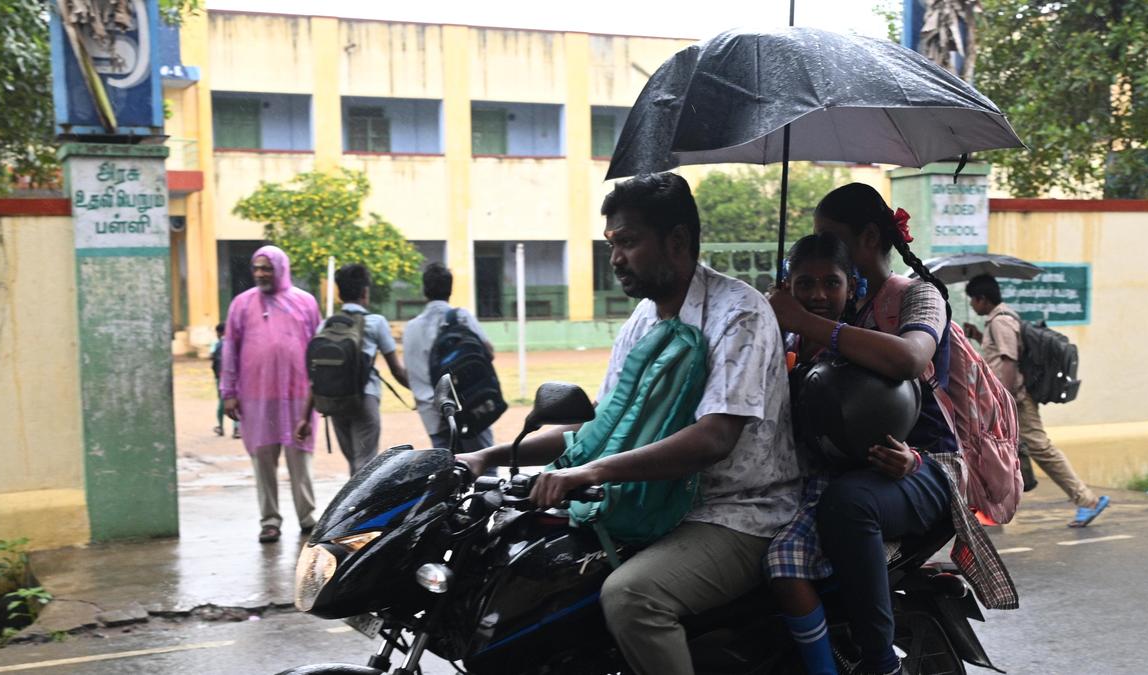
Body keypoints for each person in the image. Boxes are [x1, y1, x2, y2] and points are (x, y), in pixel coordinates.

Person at [457, 172, 799, 675]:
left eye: (629, 242)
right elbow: (605, 424)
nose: (616, 258)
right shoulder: (644, 320)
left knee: (632, 597)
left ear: (676, 241)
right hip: (646, 503)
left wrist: (591, 472)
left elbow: (715, 437)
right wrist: (489, 455)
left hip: (734, 512)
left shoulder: (738, 312)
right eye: (611, 244)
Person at [768, 183, 1017, 675]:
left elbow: (909, 358)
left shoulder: (917, 296)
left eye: (831, 237)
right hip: (848, 461)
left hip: (924, 464)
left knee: (849, 505)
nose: (820, 286)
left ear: (867, 238)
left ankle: (881, 664)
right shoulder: (835, 300)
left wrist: (808, 322)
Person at [764, 233, 857, 675]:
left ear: (851, 287)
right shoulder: (780, 338)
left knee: (782, 562)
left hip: (828, 477)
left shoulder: (856, 342)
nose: (818, 295)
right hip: (776, 469)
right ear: (787, 286)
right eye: (805, 283)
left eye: (830, 283)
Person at [963, 274, 1109, 527]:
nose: (972, 306)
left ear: (983, 299)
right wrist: (978, 335)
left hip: (1016, 400)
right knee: (991, 449)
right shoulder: (1000, 320)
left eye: (973, 300)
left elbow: (1009, 360)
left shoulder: (1000, 321)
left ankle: (1087, 501)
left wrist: (1004, 399)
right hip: (1010, 398)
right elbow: (1001, 354)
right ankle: (989, 510)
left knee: (1041, 448)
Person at [220, 245, 321, 544]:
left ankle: (307, 517)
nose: (261, 273)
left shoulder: (305, 302)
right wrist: (228, 392)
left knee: (299, 456)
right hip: (257, 397)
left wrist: (320, 389)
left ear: (281, 268)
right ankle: (270, 520)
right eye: (257, 268)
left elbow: (318, 349)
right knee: (263, 459)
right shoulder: (241, 304)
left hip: (298, 395)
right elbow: (230, 349)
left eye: (267, 268)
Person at [296, 264, 410, 475]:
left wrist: (305, 418)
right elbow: (397, 371)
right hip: (365, 400)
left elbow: (316, 377)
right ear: (365, 292)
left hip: (334, 401)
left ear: (339, 295)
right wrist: (422, 392)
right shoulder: (376, 323)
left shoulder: (325, 326)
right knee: (365, 466)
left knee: (354, 465)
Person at [402, 263, 497, 451]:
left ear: (424, 291)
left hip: (432, 413)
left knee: (446, 463)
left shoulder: (411, 328)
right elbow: (489, 352)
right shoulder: (462, 317)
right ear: (451, 289)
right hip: (468, 405)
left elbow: (410, 373)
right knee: (483, 461)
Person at [211, 322, 240, 439]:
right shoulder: (236, 343)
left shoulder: (218, 344)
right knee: (236, 403)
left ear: (219, 333)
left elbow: (214, 361)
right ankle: (237, 428)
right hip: (236, 377)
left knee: (222, 402)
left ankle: (220, 427)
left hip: (221, 377)